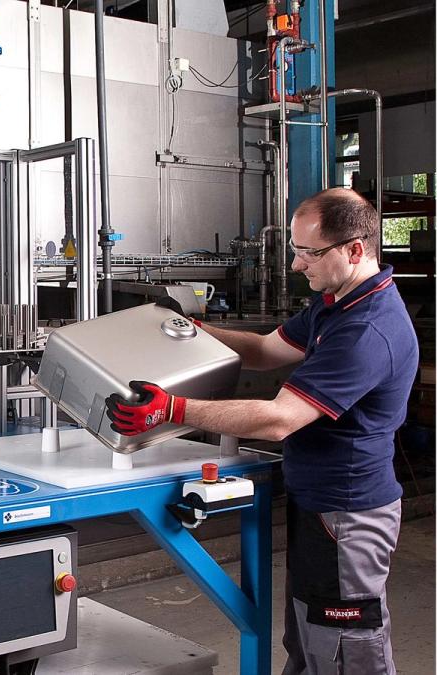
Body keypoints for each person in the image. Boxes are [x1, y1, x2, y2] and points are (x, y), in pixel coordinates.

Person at [106, 188, 418, 675]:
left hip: (349, 516)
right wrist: (192, 331)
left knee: (346, 650)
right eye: (295, 250)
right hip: (319, 506)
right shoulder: (336, 302)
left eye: (308, 253)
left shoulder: (367, 329)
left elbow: (279, 419)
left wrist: (172, 409)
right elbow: (267, 350)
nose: (296, 266)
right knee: (311, 639)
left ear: (355, 250)